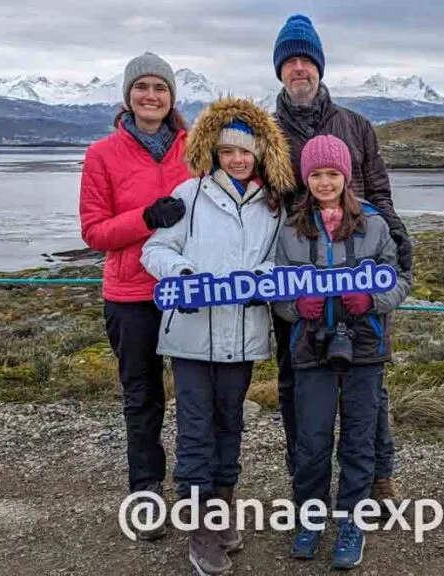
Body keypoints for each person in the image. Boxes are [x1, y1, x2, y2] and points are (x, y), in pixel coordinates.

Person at [141, 97, 295, 576]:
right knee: (195, 430)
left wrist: (264, 279)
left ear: (261, 156)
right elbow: (155, 249)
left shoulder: (274, 206)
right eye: (228, 151)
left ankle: (222, 511)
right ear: (213, 152)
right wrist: (181, 272)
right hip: (189, 337)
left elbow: (281, 260)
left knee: (231, 425)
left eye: (245, 153)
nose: (237, 159)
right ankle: (200, 532)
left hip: (243, 336)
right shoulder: (188, 196)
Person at [270, 13, 413, 506]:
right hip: (298, 271)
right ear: (279, 71)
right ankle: (304, 479)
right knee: (296, 377)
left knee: (368, 378)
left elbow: (380, 194)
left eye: (306, 59)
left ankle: (379, 476)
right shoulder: (267, 134)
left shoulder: (357, 126)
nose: (299, 68)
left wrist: (397, 246)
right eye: (289, 61)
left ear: (320, 67)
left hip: (358, 268)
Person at [272, 134, 411, 569]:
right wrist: (297, 307)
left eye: (333, 173)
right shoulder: (291, 229)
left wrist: (372, 302)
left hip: (364, 347)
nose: (325, 182)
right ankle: (310, 517)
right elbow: (275, 287)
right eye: (316, 174)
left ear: (346, 176)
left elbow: (400, 280)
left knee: (358, 438)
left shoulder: (375, 224)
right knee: (311, 439)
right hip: (311, 348)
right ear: (306, 178)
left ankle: (352, 520)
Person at [78, 52, 190, 541]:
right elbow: (93, 231)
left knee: (195, 397)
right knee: (142, 399)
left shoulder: (195, 148)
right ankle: (146, 493)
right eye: (142, 87)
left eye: (160, 88)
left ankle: (196, 493)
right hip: (130, 294)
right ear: (127, 95)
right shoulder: (102, 154)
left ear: (171, 97)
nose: (151, 96)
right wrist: (147, 218)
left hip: (188, 290)